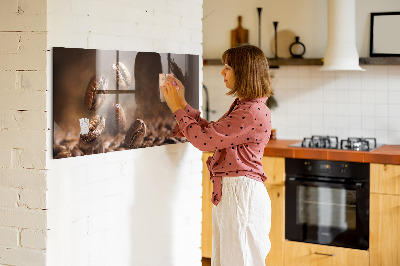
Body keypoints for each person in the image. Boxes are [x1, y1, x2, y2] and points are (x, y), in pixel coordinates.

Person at [161, 44, 273, 266]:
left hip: (241, 195)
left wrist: (176, 108)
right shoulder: (246, 106)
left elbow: (204, 141)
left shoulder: (250, 111)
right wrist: (182, 103)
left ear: (244, 72)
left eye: (228, 67)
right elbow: (212, 133)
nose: (222, 72)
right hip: (236, 193)